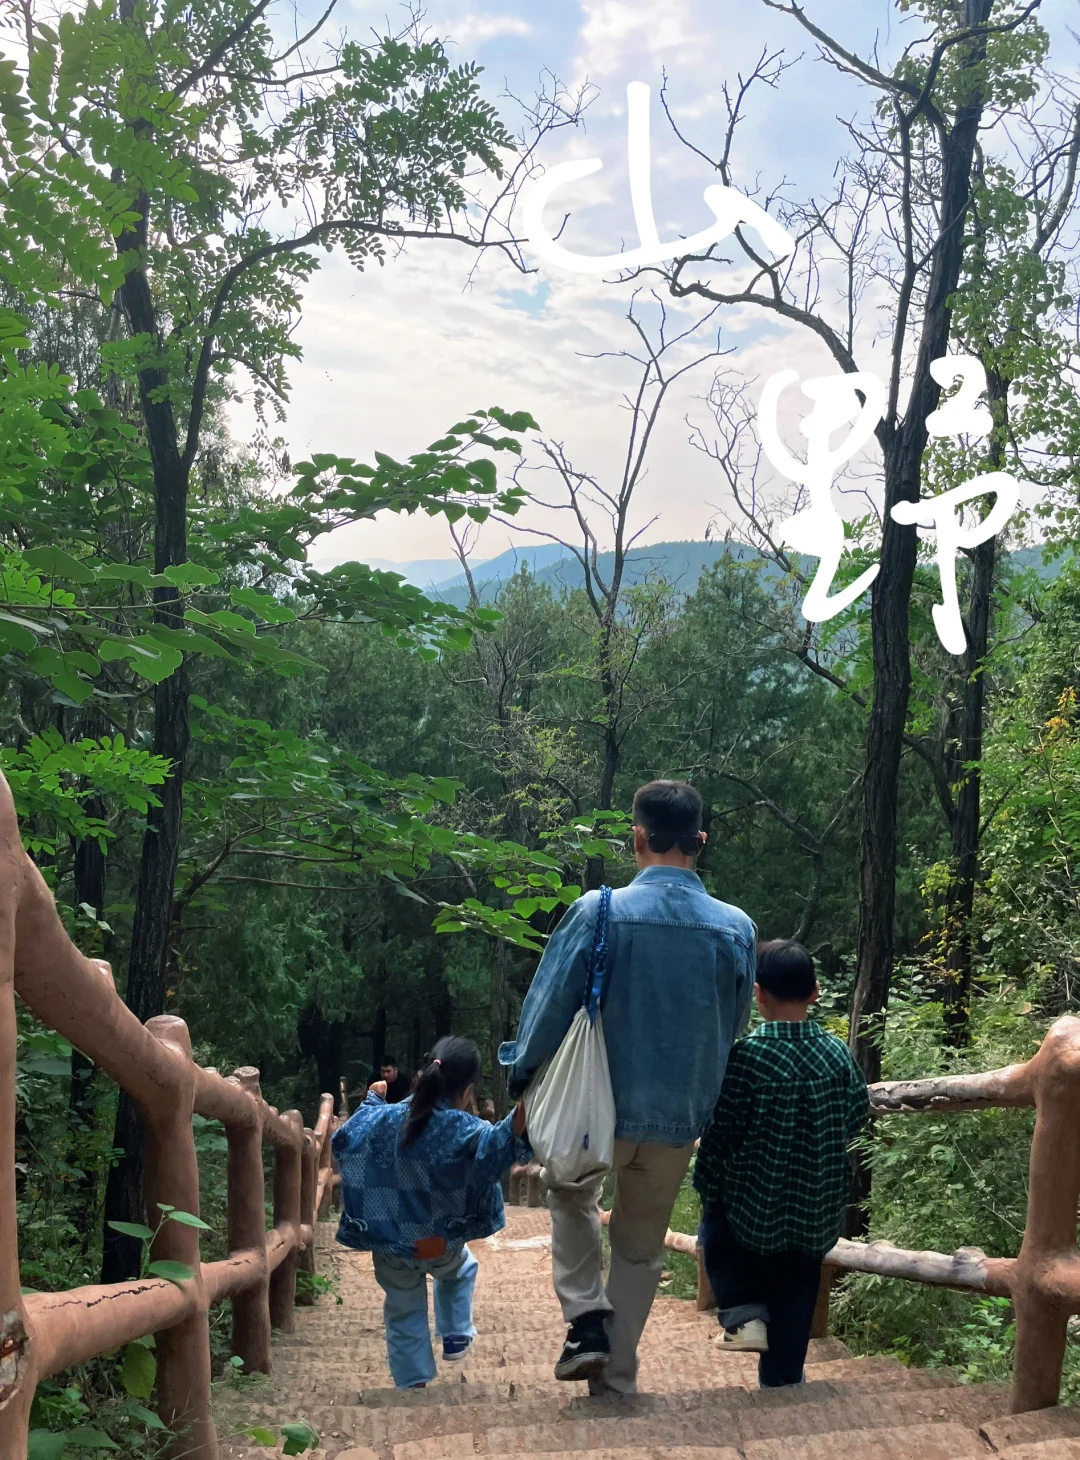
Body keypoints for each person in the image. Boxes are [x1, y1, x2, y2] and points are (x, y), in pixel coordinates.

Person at [500, 780, 755, 1393]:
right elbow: (734, 1026)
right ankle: (616, 1375)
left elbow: (548, 1009)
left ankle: (586, 1318)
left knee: (571, 1194)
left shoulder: (598, 911)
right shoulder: (736, 928)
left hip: (596, 1108)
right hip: (680, 1115)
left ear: (637, 838)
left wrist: (523, 1078)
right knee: (641, 1246)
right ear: (700, 841)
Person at [694, 939, 870, 1388]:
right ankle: (784, 1383)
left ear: (758, 994)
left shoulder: (747, 1057)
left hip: (750, 1205)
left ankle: (743, 1315)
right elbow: (856, 1112)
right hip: (814, 1207)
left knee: (717, 1236)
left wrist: (708, 1182)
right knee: (797, 1290)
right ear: (814, 992)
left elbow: (722, 1130)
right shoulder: (838, 1055)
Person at [334, 1036, 530, 1389]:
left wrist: (372, 1099)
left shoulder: (382, 1118)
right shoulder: (465, 1129)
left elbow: (345, 1137)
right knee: (461, 1269)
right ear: (466, 1091)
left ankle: (412, 1381)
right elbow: (497, 1146)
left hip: (391, 1247)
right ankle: (455, 1333)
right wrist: (524, 1107)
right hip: (439, 1243)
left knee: (403, 1309)